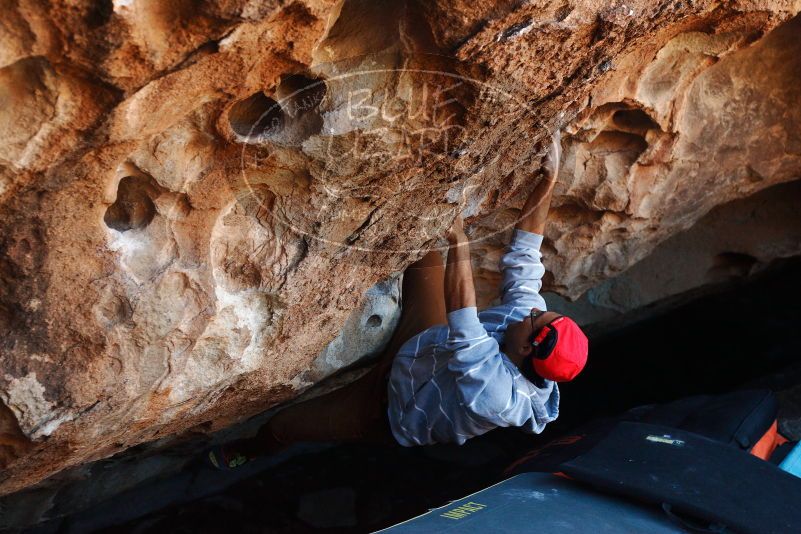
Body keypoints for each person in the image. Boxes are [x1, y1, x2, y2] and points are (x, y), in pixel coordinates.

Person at [208, 131, 589, 469]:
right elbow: (525, 258)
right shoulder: (528, 331)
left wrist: (457, 240)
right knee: (425, 252)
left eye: (536, 318)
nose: (532, 310)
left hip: (386, 410)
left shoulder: (498, 398)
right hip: (423, 343)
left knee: (285, 426)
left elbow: (465, 320)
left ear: (526, 346)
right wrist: (548, 180)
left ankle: (254, 449)